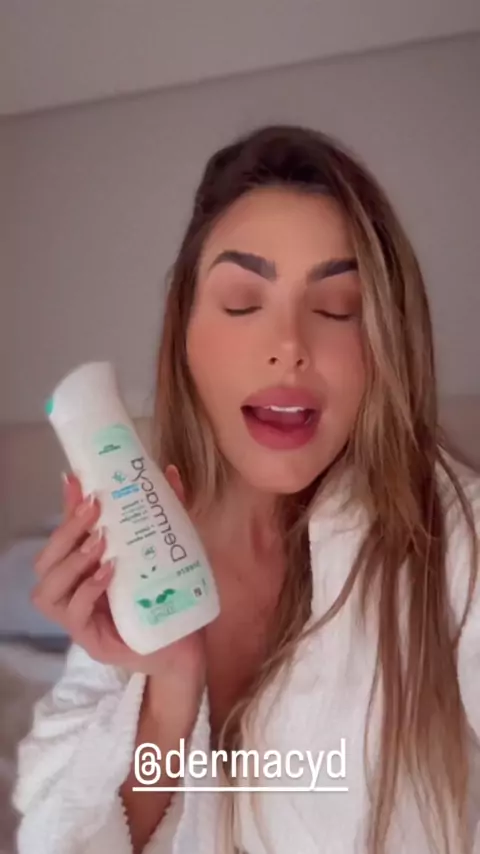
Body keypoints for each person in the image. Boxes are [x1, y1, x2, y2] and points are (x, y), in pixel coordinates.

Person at [12, 125, 480, 854]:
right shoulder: (139, 564)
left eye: (337, 307)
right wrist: (170, 685)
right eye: (240, 302)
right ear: (185, 335)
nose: (289, 345)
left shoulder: (456, 541)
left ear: (383, 344)